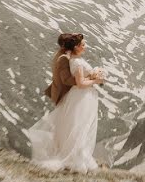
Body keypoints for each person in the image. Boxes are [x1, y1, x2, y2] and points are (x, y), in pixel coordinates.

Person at [25, 33, 105, 172]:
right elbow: (79, 83)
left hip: (82, 96)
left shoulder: (73, 59)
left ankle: (78, 155)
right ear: (76, 47)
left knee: (80, 127)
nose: (85, 46)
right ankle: (74, 158)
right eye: (83, 44)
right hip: (81, 96)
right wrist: (95, 80)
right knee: (79, 127)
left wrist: (92, 75)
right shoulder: (74, 61)